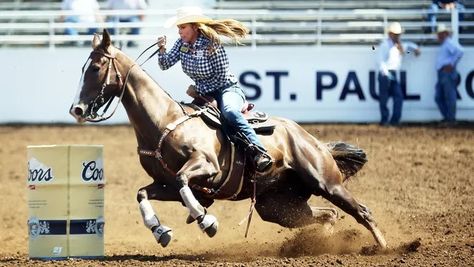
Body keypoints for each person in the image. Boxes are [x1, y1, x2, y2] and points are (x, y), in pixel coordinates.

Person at [157, 6, 273, 172]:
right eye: (178, 28)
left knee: (230, 111)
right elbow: (165, 64)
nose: (179, 32)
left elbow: (222, 76)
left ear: (195, 27)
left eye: (183, 27)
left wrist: (197, 89)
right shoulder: (181, 45)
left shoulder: (212, 45)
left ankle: (259, 151)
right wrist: (162, 49)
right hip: (205, 94)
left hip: (227, 89)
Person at [376, 22, 421, 126]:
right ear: (390, 34)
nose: (397, 36)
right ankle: (385, 120)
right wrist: (386, 73)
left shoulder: (398, 46)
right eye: (396, 34)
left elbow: (408, 49)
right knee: (384, 98)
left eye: (398, 34)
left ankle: (394, 121)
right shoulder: (385, 45)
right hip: (386, 74)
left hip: (392, 74)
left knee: (398, 97)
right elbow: (380, 61)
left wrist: (414, 50)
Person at [434, 23, 464, 124]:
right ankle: (448, 117)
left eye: (440, 34)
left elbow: (460, 51)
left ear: (445, 34)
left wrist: (451, 64)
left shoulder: (448, 43)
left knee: (448, 96)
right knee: (440, 97)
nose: (438, 36)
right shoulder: (446, 44)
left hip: (447, 74)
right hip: (443, 73)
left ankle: (450, 118)